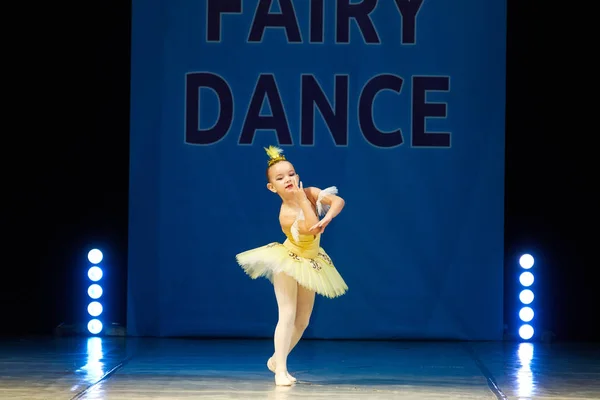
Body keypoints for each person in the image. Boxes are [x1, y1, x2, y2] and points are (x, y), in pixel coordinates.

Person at [236, 146, 348, 386]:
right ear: (272, 187)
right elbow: (311, 226)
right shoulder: (286, 213)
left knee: (303, 321)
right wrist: (303, 202)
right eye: (280, 178)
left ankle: (277, 359)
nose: (287, 179)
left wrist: (329, 216)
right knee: (287, 314)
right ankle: (281, 372)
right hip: (288, 261)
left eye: (291, 174)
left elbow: (338, 200)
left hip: (311, 261)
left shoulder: (310, 191)